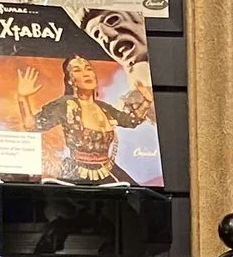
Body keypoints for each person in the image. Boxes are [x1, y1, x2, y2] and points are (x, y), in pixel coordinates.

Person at [14, 53, 153, 185]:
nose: (85, 73)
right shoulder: (65, 105)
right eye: (77, 70)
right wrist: (23, 98)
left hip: (108, 170)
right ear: (70, 80)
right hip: (76, 172)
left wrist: (147, 101)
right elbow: (32, 126)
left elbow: (131, 121)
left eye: (88, 68)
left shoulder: (104, 108)